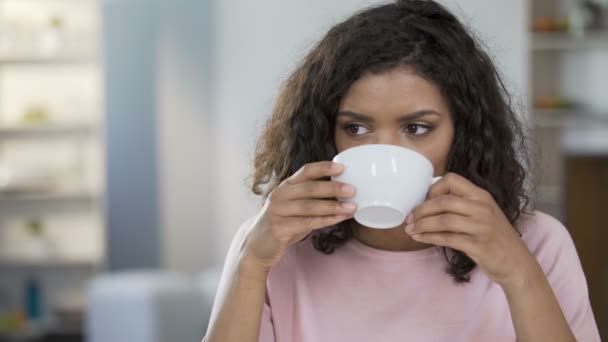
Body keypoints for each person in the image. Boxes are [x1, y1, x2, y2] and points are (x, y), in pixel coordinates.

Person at [204, 1, 600, 341]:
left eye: (416, 128)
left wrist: (518, 272)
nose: (384, 150)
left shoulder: (536, 243)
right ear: (327, 134)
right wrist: (250, 265)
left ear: (464, 133)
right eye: (356, 128)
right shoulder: (273, 248)